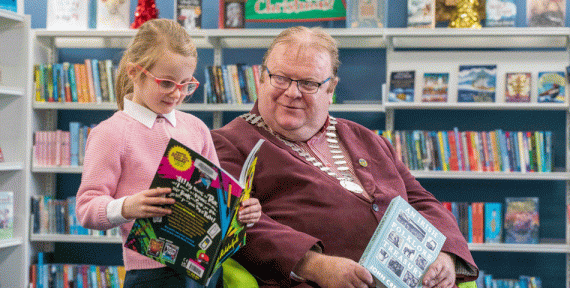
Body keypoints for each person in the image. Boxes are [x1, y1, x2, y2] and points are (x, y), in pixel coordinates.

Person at [211, 26, 479, 288]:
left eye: (308, 83)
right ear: (262, 78)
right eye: (280, 78)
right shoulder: (228, 143)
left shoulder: (366, 138)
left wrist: (445, 254)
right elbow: (234, 221)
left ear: (331, 89)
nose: (292, 93)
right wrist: (314, 265)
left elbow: (422, 201)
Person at [75, 19, 261, 288]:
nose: (177, 94)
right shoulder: (111, 133)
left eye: (186, 85)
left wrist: (243, 211)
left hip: (205, 270)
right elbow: (86, 208)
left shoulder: (196, 128)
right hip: (153, 275)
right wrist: (127, 207)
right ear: (133, 72)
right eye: (166, 83)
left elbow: (217, 197)